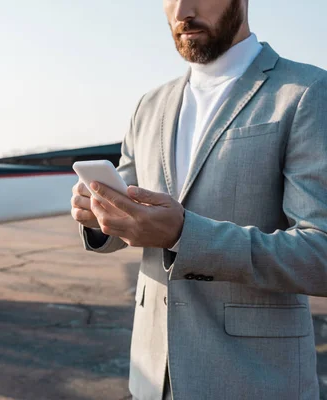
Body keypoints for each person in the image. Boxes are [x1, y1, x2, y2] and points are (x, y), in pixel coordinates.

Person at [71, 1, 327, 399]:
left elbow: (321, 253)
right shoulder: (149, 105)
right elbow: (131, 218)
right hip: (152, 379)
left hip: (255, 382)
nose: (183, 10)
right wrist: (98, 216)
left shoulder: (307, 92)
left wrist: (185, 234)